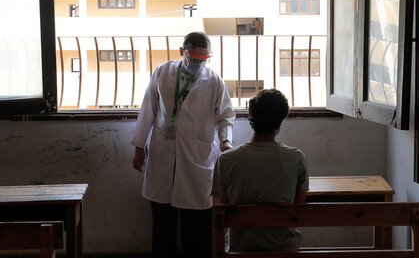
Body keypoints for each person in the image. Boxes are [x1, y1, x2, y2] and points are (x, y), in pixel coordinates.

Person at [131, 31, 235, 258]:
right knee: (163, 221)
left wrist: (226, 142)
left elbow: (225, 116)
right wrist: (139, 147)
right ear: (182, 52)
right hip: (163, 153)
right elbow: (148, 110)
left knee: (197, 224)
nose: (198, 64)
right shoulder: (162, 72)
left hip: (198, 157)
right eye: (194, 58)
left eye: (204, 59)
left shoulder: (214, 81)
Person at [211, 88, 309, 252]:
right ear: (281, 121)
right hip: (284, 249)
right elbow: (298, 210)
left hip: (241, 249)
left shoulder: (226, 161)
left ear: (251, 117)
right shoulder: (296, 158)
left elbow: (223, 210)